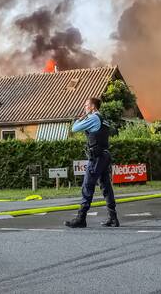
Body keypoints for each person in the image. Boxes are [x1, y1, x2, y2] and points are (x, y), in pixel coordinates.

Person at [64, 96, 118, 228]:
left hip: (97, 157)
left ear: (93, 107)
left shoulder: (93, 118)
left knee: (87, 186)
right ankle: (113, 218)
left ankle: (81, 218)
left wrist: (82, 118)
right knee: (106, 187)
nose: (85, 107)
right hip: (105, 155)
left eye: (86, 105)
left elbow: (74, 128)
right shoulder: (103, 119)